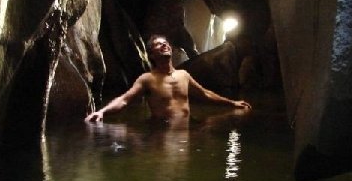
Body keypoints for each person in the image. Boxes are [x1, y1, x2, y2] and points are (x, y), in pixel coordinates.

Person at [85, 35, 252, 124]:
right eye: (159, 44)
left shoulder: (184, 75)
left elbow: (205, 94)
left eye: (166, 43)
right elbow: (124, 100)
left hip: (186, 129)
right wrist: (102, 112)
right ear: (151, 55)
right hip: (160, 131)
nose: (164, 45)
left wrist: (233, 103)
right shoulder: (147, 79)